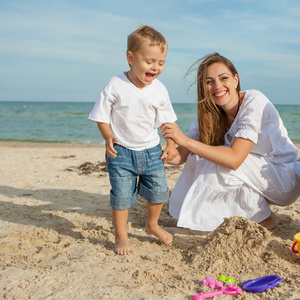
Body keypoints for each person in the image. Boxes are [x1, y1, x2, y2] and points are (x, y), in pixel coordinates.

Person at [161, 53, 300, 232]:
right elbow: (180, 157)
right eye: (209, 81)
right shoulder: (209, 115)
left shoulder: (253, 101)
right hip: (256, 177)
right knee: (201, 158)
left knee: (219, 156)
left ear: (235, 80)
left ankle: (263, 218)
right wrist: (168, 146)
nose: (217, 86)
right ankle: (261, 215)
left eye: (223, 78)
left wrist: (185, 140)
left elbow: (234, 159)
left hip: (284, 177)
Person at [89, 25, 177, 255]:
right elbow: (101, 115)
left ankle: (152, 224)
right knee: (121, 197)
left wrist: (171, 144)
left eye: (161, 62)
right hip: (121, 152)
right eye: (149, 61)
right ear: (131, 58)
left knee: (159, 191)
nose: (156, 67)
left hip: (151, 151)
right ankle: (121, 235)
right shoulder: (116, 85)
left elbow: (167, 122)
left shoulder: (159, 90)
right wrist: (108, 136)